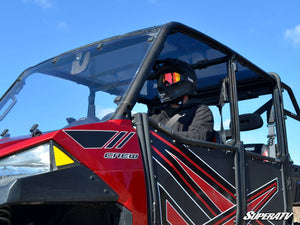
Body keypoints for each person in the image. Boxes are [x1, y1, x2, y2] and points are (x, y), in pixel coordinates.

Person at [149, 59, 214, 141]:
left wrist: (160, 135)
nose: (166, 84)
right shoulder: (157, 114)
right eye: (162, 80)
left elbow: (199, 136)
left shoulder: (200, 111)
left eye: (171, 78)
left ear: (187, 79)